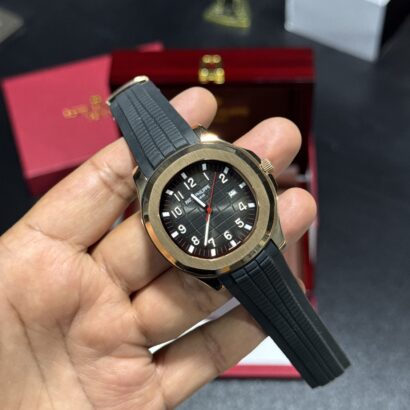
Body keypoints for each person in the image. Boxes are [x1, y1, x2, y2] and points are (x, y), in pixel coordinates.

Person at [0, 87, 316, 409]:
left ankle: (322, 364)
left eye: (208, 208)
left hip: (245, 243)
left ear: (259, 168)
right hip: (216, 257)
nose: (208, 211)